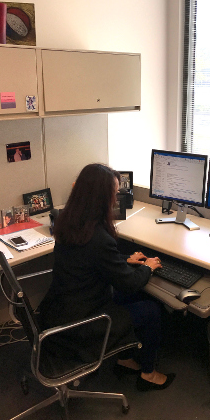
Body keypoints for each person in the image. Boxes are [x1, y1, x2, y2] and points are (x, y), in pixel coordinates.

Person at [38, 163, 175, 391]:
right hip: (81, 324)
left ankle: (124, 360)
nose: (115, 198)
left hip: (59, 311)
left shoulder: (68, 222)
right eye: (113, 192)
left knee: (122, 297)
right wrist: (148, 267)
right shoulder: (99, 238)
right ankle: (148, 374)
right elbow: (130, 283)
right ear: (101, 198)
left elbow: (91, 260)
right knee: (151, 309)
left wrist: (124, 259)